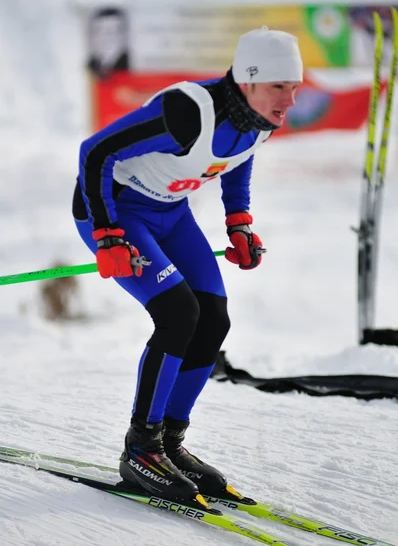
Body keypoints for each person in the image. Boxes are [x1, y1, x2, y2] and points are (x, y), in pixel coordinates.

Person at [73, 26, 303, 505]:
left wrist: (238, 223)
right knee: (178, 312)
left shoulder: (257, 118)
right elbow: (94, 152)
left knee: (212, 318)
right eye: (281, 87)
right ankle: (141, 447)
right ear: (250, 80)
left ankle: (170, 444)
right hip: (118, 212)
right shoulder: (188, 112)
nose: (291, 100)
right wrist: (107, 234)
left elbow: (239, 158)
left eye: (295, 88)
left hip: (170, 215)